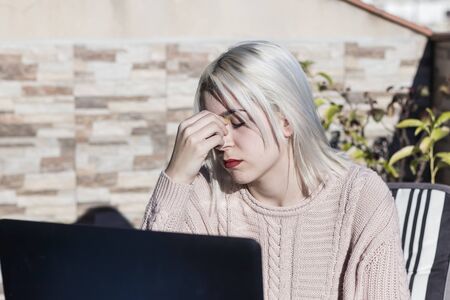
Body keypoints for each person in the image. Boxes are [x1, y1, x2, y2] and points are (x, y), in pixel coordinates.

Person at [141, 40, 410, 299]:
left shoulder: (360, 197)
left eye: (237, 122)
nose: (223, 142)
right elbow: (146, 284)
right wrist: (176, 176)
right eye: (215, 127)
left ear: (286, 121)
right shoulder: (205, 195)